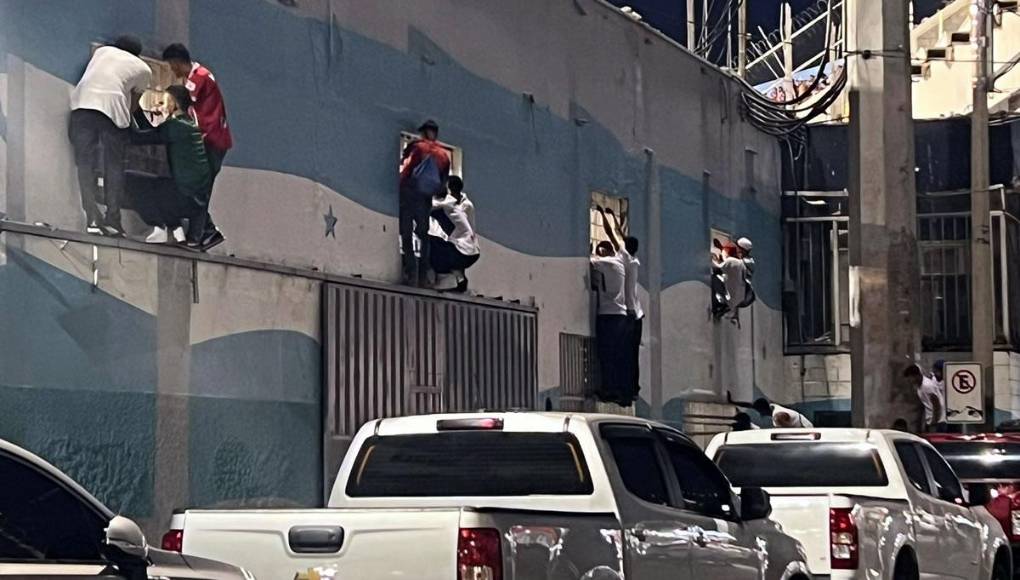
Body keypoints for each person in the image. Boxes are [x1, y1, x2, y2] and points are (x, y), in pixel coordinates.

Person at [69, 35, 152, 236]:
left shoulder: (101, 51)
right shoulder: (143, 69)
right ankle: (113, 220)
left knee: (85, 164)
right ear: (137, 54)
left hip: (81, 106)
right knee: (113, 166)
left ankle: (92, 219)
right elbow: (134, 103)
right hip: (111, 112)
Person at [127, 85, 215, 249]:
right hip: (195, 195)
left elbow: (139, 138)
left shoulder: (176, 126)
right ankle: (176, 230)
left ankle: (161, 226)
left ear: (173, 104)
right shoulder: (188, 125)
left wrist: (128, 110)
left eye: (163, 103)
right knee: (160, 183)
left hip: (185, 196)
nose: (159, 107)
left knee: (132, 182)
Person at [162, 43, 231, 249]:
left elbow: (188, 108)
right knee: (198, 190)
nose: (173, 71)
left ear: (177, 62)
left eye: (172, 66)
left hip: (211, 141)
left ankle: (197, 237)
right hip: (215, 139)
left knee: (200, 191)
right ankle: (207, 231)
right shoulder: (202, 75)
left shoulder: (196, 80)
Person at [597, 206, 642, 401]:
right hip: (636, 312)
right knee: (630, 356)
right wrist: (619, 219)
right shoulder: (633, 260)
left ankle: (619, 390)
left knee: (619, 353)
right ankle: (631, 390)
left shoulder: (622, 259)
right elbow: (620, 236)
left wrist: (603, 214)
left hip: (628, 312)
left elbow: (611, 234)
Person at [399, 119, 451, 287]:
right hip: (426, 198)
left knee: (406, 234)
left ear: (423, 132)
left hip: (409, 195)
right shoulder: (444, 155)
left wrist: (401, 185)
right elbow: (443, 182)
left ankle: (411, 273)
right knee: (424, 236)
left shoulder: (418, 147)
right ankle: (423, 276)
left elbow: (407, 169)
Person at [591, 240, 630, 405]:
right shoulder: (620, 264)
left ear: (606, 251)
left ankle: (609, 390)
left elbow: (591, 260)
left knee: (606, 354)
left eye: (601, 251)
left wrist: (591, 250)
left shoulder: (607, 262)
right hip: (621, 314)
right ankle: (619, 391)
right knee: (616, 355)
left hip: (608, 314)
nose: (599, 254)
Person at [428, 176, 479, 293]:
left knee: (432, 243)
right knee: (444, 246)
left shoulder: (448, 202)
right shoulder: (453, 203)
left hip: (465, 250)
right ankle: (459, 280)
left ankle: (444, 278)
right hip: (470, 249)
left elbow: (427, 205)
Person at [728, 392, 814, 428]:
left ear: (763, 410)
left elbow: (789, 431)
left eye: (759, 411)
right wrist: (733, 402)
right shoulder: (771, 407)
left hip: (804, 427)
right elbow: (750, 405)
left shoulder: (778, 416)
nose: (759, 414)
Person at [904, 364, 947, 433]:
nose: (909, 381)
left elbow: (937, 405)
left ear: (916, 376)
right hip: (930, 420)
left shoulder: (927, 386)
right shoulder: (919, 386)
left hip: (938, 421)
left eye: (910, 378)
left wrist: (934, 421)